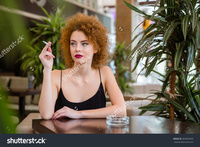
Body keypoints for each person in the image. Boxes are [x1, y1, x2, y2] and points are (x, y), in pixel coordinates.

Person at [39, 12, 126, 119]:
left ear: (96, 48)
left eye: (84, 43)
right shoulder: (55, 76)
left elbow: (121, 110)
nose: (77, 49)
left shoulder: (104, 73)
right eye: (73, 43)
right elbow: (45, 115)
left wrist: (79, 114)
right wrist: (47, 70)